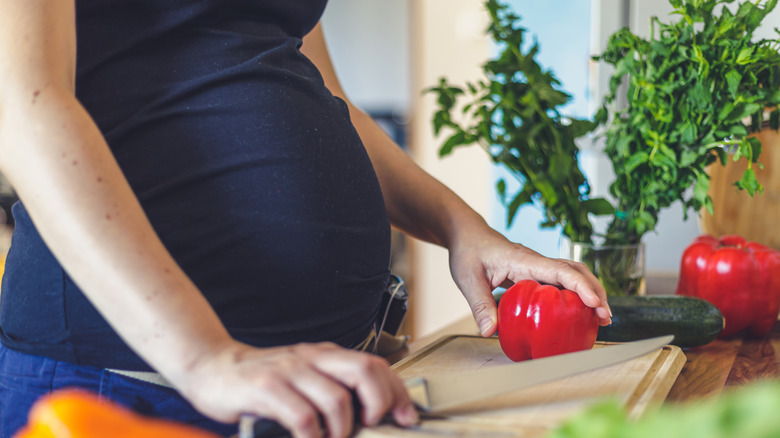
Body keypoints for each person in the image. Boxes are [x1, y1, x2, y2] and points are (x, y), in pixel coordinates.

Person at [0, 1, 612, 437]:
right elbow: (24, 106)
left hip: (306, 385)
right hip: (137, 380)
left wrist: (463, 229)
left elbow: (322, 93)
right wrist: (208, 357)